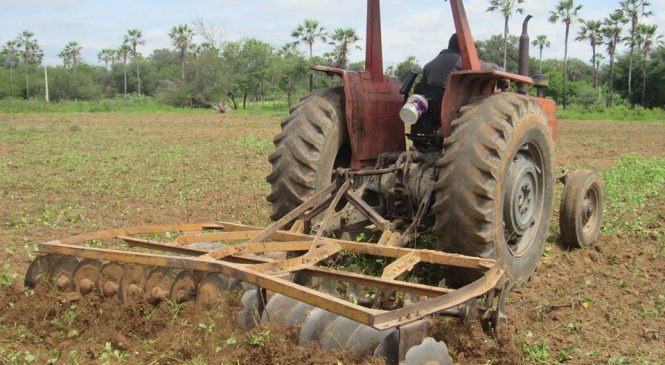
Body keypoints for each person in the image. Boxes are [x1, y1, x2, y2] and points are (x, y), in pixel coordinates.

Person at [410, 33, 501, 152]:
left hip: (429, 116)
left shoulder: (429, 65)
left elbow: (424, 90)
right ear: (466, 47)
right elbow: (492, 68)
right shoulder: (463, 62)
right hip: (453, 115)